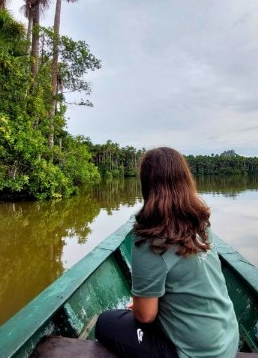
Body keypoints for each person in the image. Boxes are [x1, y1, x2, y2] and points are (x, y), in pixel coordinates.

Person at [95, 147, 239, 358]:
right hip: (227, 342)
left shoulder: (149, 240)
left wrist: (138, 305)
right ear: (185, 180)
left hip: (196, 353)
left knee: (105, 322)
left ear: (146, 185)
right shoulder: (201, 222)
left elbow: (145, 316)